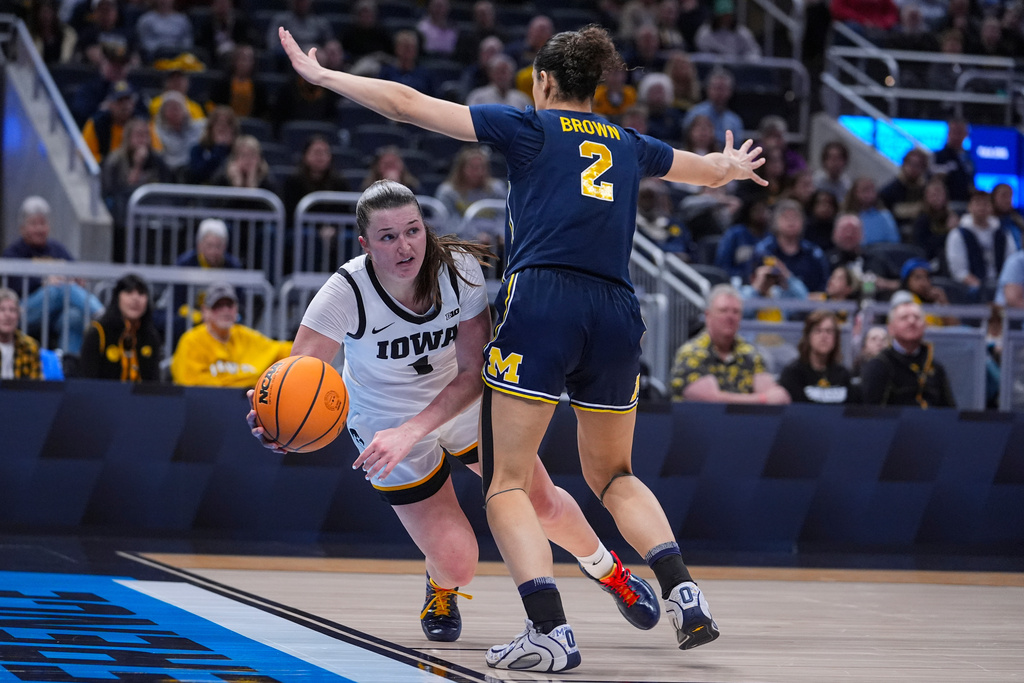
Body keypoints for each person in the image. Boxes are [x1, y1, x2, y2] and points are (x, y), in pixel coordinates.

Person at [278, 22, 768, 671]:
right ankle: (683, 588)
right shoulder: (628, 140)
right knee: (613, 475)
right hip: (617, 312)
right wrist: (730, 166)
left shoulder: (529, 128)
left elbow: (407, 105)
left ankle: (551, 629)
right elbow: (703, 173)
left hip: (544, 303)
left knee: (511, 485)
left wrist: (326, 77)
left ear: (541, 83)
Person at [247, 179, 661, 646]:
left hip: (458, 403)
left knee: (543, 502)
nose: (405, 246)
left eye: (413, 230)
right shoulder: (344, 292)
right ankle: (441, 585)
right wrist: (270, 412)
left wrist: (415, 428)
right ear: (364, 244)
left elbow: (472, 372)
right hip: (383, 423)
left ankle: (611, 574)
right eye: (387, 237)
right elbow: (299, 372)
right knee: (459, 559)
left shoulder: (458, 269)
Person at [2, 196, 104, 355]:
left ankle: (67, 365)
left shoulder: (57, 249)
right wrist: (43, 282)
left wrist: (77, 279)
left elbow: (76, 274)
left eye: (43, 223)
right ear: (22, 228)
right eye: (34, 224)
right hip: (24, 311)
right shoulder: (13, 253)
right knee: (59, 287)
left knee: (75, 316)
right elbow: (11, 288)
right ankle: (101, 315)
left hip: (55, 314)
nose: (39, 229)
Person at [672, 284, 792, 403]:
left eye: (736, 312)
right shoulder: (690, 353)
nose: (730, 317)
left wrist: (767, 398)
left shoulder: (751, 353)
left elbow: (776, 398)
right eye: (723, 311)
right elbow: (711, 400)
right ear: (708, 316)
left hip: (745, 422)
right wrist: (762, 399)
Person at [171, 281, 291, 387]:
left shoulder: (247, 336)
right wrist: (244, 381)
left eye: (229, 305)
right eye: (218, 305)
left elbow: (282, 350)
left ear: (236, 309)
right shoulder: (191, 341)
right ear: (205, 311)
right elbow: (192, 383)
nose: (225, 311)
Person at [100, 117, 174, 261]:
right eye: (138, 135)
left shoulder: (157, 160)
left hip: (152, 219)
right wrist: (137, 166)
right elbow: (114, 190)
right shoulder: (115, 161)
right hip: (123, 221)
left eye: (146, 135)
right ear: (128, 137)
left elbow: (167, 186)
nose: (143, 139)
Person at [860, 300, 956, 408]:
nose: (912, 321)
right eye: (904, 318)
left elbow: (950, 412)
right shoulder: (879, 365)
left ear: (925, 326)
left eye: (917, 317)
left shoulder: (935, 367)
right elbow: (872, 414)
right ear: (891, 328)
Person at [79, 273, 162, 382]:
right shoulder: (98, 332)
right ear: (117, 297)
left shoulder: (151, 336)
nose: (135, 298)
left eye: (141, 293)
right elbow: (87, 381)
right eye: (129, 292)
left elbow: (155, 384)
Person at [946, 190, 1019, 300]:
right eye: (978, 203)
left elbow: (1011, 262)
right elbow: (959, 272)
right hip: (970, 289)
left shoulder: (1004, 234)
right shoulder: (958, 234)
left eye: (985, 204)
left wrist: (1003, 286)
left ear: (991, 207)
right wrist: (981, 288)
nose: (982, 207)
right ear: (970, 207)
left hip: (1000, 286)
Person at [750, 199, 831, 294]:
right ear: (775, 222)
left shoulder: (814, 253)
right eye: (786, 217)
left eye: (795, 217)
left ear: (803, 222)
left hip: (809, 306)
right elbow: (750, 281)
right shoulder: (762, 251)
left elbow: (823, 285)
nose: (791, 222)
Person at [778, 310, 854, 404]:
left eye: (829, 331)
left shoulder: (843, 374)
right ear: (808, 336)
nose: (824, 336)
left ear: (836, 338)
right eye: (818, 331)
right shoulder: (793, 373)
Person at [681, 67, 744, 147]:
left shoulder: (735, 121)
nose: (719, 92)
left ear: (730, 91)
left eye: (723, 88)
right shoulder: (695, 113)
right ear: (708, 89)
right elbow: (686, 142)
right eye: (716, 88)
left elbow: (736, 148)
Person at [878, 147, 929, 235]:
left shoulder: (928, 191)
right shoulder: (888, 191)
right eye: (911, 164)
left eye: (918, 165)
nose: (913, 169)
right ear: (904, 164)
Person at [842, 176, 901, 246]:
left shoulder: (885, 216)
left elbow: (894, 242)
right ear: (854, 193)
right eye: (865, 190)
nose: (869, 194)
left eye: (872, 190)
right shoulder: (845, 218)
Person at [0, 288, 43, 381]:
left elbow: (37, 389)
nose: (8, 315)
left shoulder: (30, 346)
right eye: (2, 310)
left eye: (12, 310)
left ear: (18, 316)